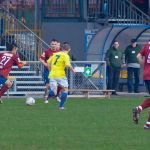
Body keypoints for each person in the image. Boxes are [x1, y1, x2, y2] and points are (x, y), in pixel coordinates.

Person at [47, 42, 75, 110]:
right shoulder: (66, 55)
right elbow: (68, 65)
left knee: (54, 92)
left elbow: (48, 62)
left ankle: (49, 94)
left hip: (52, 75)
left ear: (62, 49)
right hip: (61, 75)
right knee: (65, 90)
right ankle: (61, 106)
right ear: (69, 50)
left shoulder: (55, 54)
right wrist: (73, 70)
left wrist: (50, 70)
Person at [132, 40, 150, 129]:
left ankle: (139, 109)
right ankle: (147, 124)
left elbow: (138, 56)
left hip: (146, 75)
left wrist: (145, 66)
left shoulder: (146, 46)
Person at [39, 39, 60, 103]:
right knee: (48, 85)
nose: (53, 45)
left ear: (57, 45)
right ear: (50, 44)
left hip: (56, 71)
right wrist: (45, 64)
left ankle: (56, 96)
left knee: (57, 85)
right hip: (48, 71)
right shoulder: (46, 52)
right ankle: (46, 96)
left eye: (55, 44)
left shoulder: (59, 52)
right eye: (52, 44)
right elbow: (41, 59)